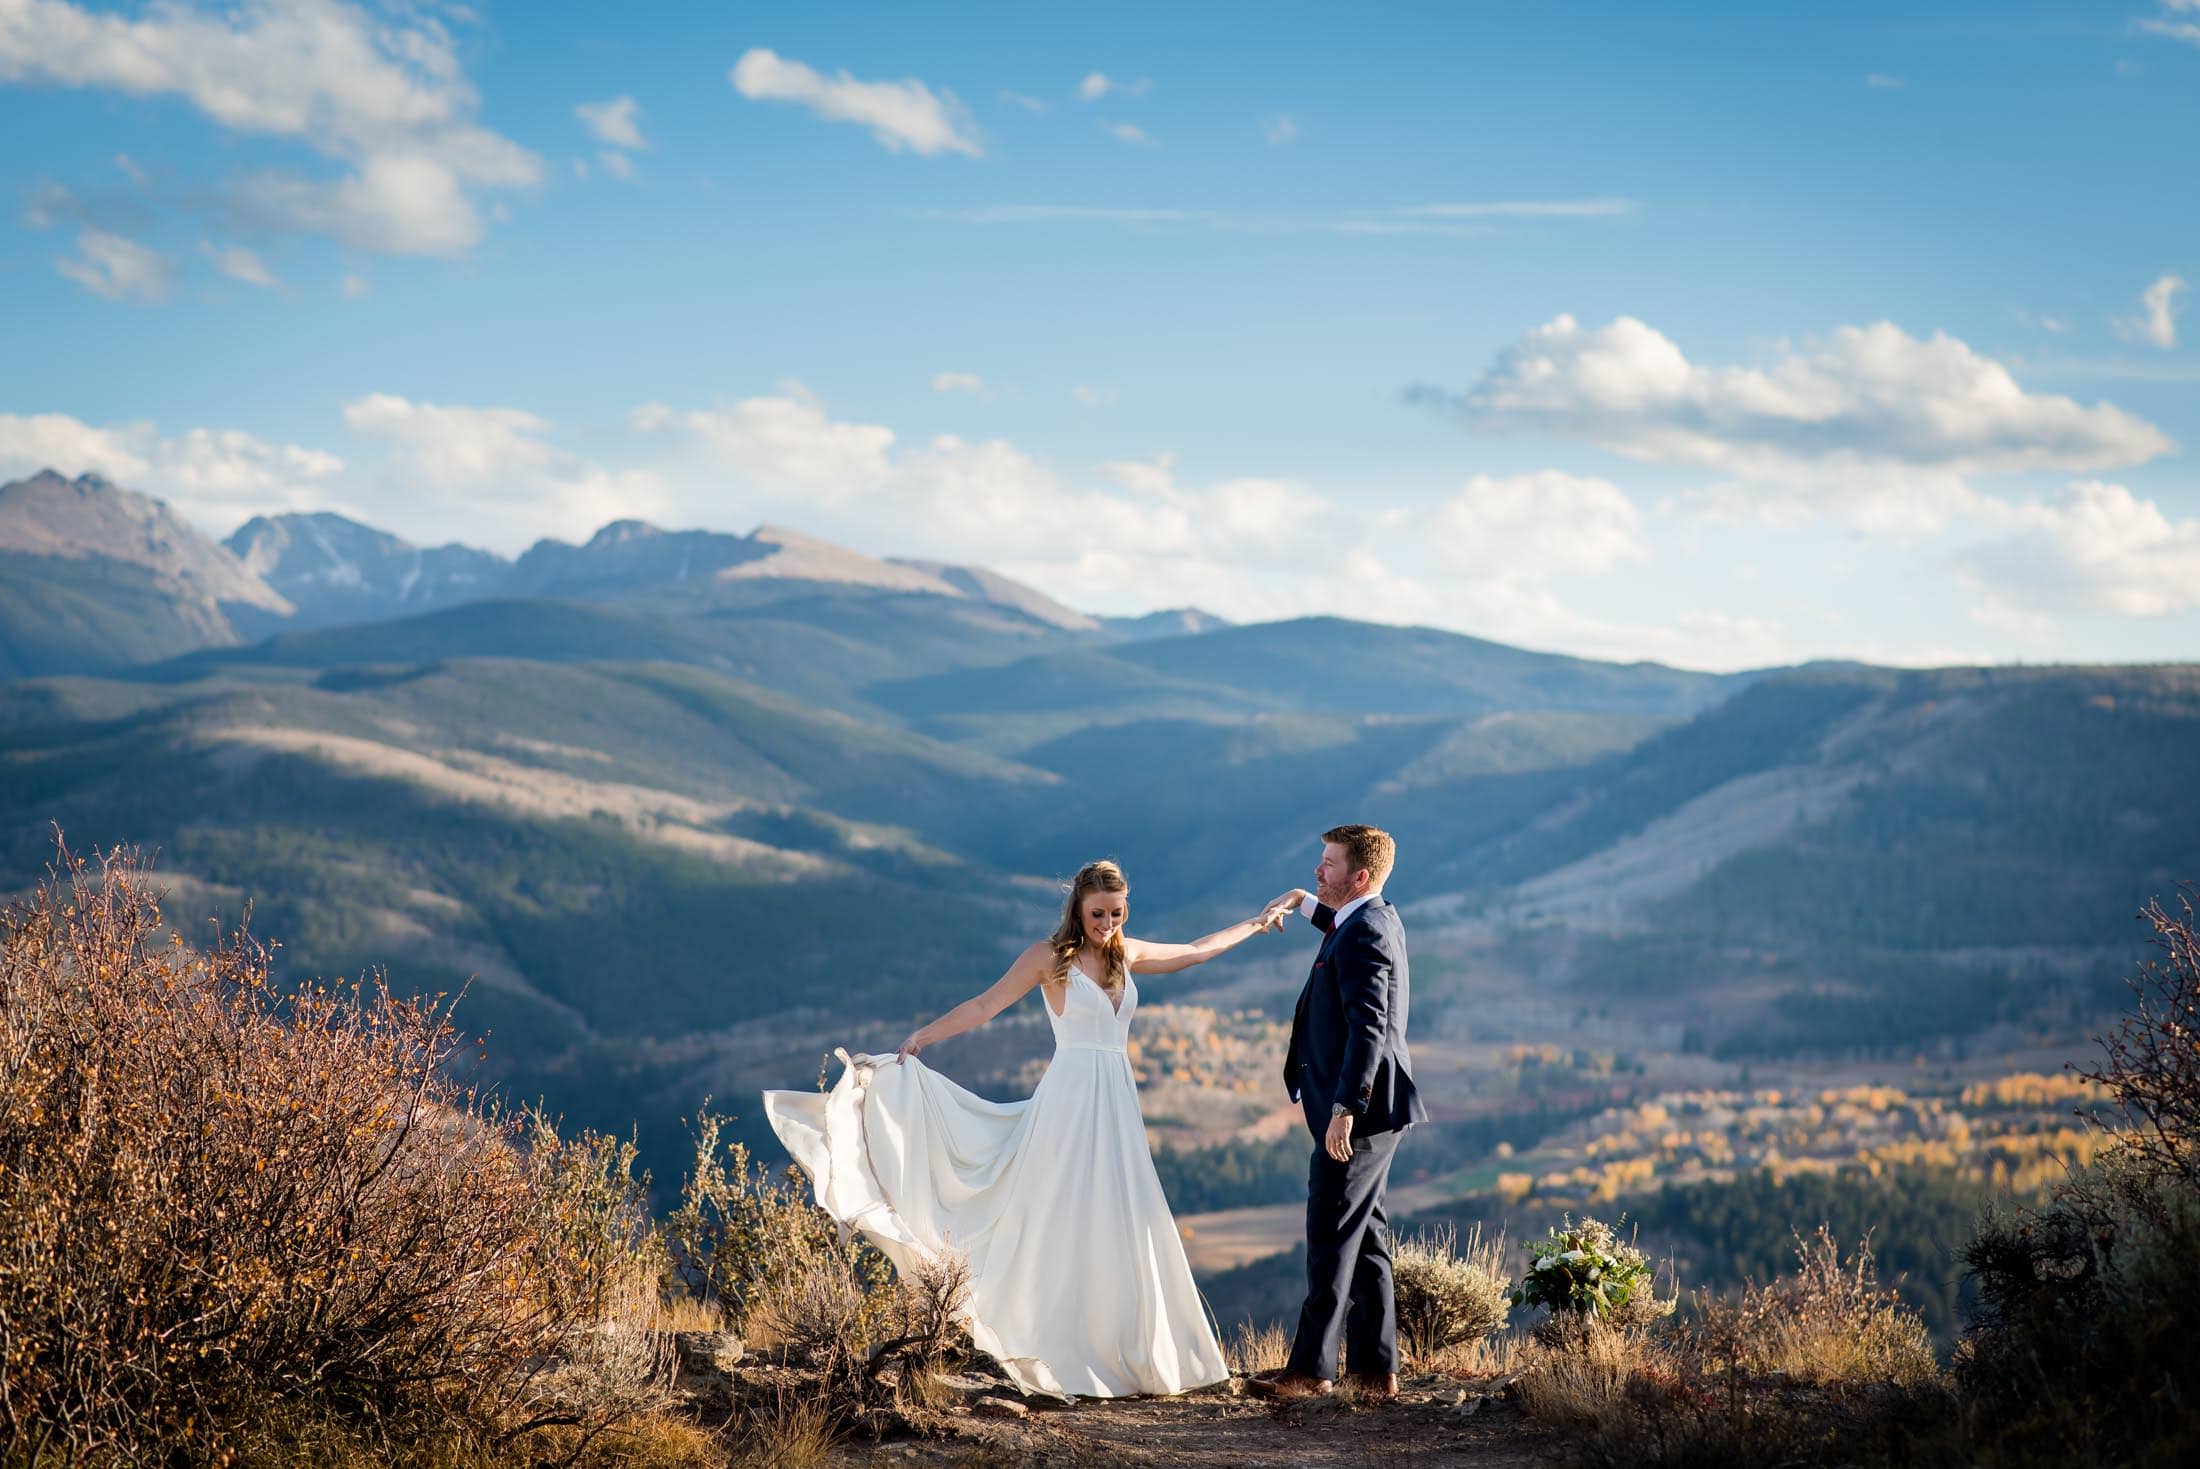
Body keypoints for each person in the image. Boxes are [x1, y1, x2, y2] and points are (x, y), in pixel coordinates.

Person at [761, 859, 1302, 1398]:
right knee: (1055, 1218)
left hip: (1116, 1101)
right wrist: (923, 1037)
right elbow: (986, 1003)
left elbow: (1192, 951)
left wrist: (1258, 921)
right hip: (1068, 1102)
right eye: (1098, 913)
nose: (1108, 923)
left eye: (1116, 912)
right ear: (1078, 908)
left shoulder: (1125, 953)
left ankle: (1129, 1351)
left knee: (1120, 1217)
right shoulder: (1049, 958)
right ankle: (1053, 1346)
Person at [1247, 824, 1427, 1404]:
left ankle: (1311, 1370)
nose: (1317, 871)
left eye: (1327, 864)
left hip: (1361, 1114)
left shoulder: (1366, 932)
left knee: (1329, 1232)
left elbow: (1370, 1027)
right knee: (1367, 1237)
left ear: (1360, 877)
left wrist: (1346, 1108)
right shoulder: (1373, 918)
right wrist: (1303, 903)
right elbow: (1342, 927)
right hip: (1376, 1111)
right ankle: (1376, 1372)